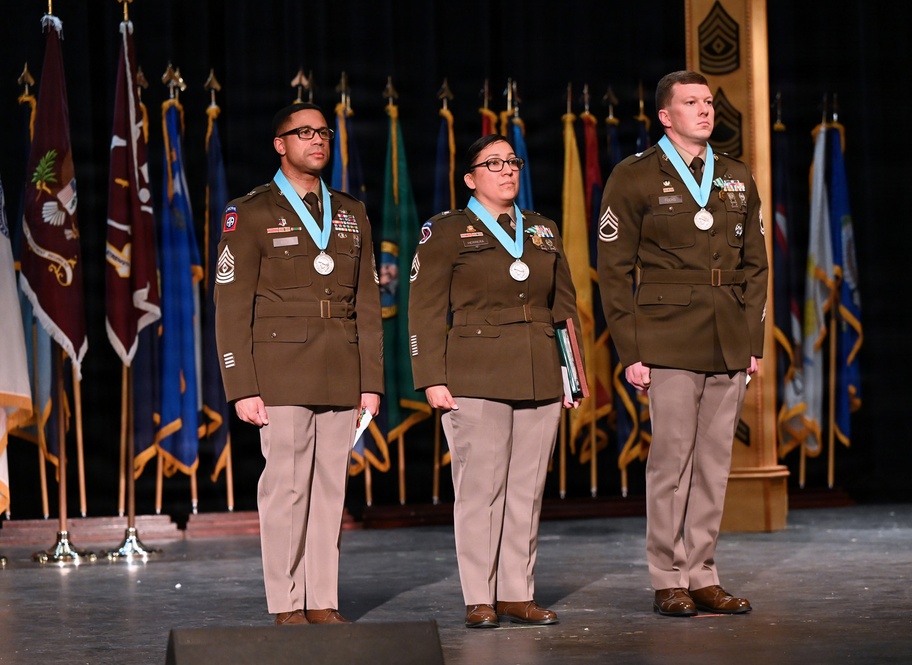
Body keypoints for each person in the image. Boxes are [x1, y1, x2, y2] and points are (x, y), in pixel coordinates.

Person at [597, 70, 768, 617]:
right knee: (671, 461)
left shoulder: (736, 177)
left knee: (715, 463)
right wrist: (631, 349)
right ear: (665, 116)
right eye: (691, 102)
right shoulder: (635, 176)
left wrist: (754, 341)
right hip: (666, 335)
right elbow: (614, 269)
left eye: (709, 101)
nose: (705, 110)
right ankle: (667, 576)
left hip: (727, 336)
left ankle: (703, 573)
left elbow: (757, 268)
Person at [214, 102, 384, 625]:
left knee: (332, 491)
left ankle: (322, 601)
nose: (317, 140)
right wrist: (241, 384)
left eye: (323, 132)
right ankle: (287, 604)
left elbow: (370, 305)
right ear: (279, 144)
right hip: (281, 372)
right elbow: (231, 305)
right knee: (286, 490)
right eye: (303, 132)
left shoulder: (351, 212)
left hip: (342, 369)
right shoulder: (252, 211)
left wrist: (371, 382)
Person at [408, 134, 582, 629]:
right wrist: (432, 380)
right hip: (475, 375)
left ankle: (516, 593)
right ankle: (479, 596)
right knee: (480, 490)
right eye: (494, 163)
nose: (507, 171)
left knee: (527, 490)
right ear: (470, 178)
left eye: (513, 162)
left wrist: (571, 373)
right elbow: (422, 313)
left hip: (540, 374)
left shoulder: (543, 230)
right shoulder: (445, 231)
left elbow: (563, 309)